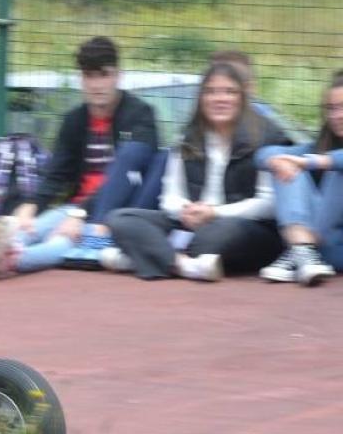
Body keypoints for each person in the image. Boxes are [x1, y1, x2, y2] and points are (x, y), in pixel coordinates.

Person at [0, 36, 159, 278]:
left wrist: (80, 215)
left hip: (114, 216)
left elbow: (127, 180)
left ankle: (10, 262)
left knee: (63, 241)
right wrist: (31, 205)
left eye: (104, 75)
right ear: (81, 79)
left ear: (118, 76)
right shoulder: (75, 120)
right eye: (90, 76)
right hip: (74, 209)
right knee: (27, 230)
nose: (97, 84)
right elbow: (56, 174)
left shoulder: (140, 116)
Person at [103, 61, 286, 281]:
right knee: (121, 218)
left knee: (213, 238)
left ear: (242, 98)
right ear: (201, 99)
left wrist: (214, 212)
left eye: (229, 92)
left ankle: (139, 258)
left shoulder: (267, 138)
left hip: (243, 227)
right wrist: (186, 211)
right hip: (191, 224)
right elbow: (169, 196)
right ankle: (184, 265)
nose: (220, 99)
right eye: (211, 92)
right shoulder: (187, 138)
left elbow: (268, 205)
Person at [250, 71, 343, 286]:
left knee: (336, 171)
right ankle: (303, 250)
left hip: (337, 250)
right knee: (287, 166)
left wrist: (313, 162)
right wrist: (278, 161)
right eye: (332, 109)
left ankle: (300, 251)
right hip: (321, 250)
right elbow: (262, 155)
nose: (338, 115)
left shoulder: (320, 156)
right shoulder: (319, 147)